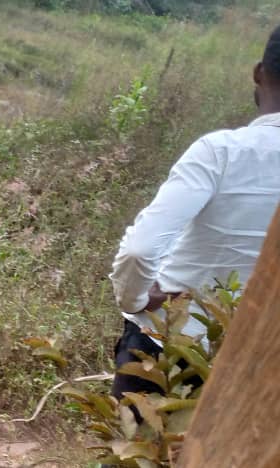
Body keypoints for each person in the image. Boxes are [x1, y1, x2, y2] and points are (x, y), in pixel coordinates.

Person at [108, 25, 280, 400]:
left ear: (258, 72)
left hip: (172, 349)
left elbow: (141, 250)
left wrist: (135, 300)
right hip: (264, 364)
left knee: (141, 455)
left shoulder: (221, 152)